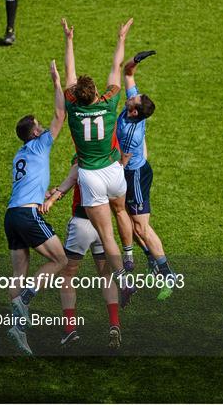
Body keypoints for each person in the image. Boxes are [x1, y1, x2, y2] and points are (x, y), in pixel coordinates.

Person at [61, 17, 136, 308]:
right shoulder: (108, 103)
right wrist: (121, 38)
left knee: (105, 236)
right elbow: (116, 69)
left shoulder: (72, 107)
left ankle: (124, 279)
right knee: (120, 213)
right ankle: (130, 254)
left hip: (91, 176)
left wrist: (69, 39)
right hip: (115, 172)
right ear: (95, 94)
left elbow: (69, 73)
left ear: (77, 97)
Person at [4, 60, 67, 356]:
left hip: (11, 215)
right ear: (33, 134)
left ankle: (17, 330)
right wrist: (56, 81)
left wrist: (47, 192)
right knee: (60, 259)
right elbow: (60, 114)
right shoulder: (39, 145)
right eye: (39, 128)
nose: (44, 129)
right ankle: (27, 298)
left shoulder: (19, 153)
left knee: (18, 273)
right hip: (28, 214)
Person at [40, 158, 122, 350]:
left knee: (67, 275)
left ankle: (70, 330)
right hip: (103, 226)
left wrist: (52, 197)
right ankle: (114, 323)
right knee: (105, 275)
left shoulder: (82, 160)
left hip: (81, 224)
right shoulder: (110, 163)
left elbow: (70, 181)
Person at [116, 51, 176, 300]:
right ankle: (152, 260)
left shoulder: (132, 134)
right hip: (132, 170)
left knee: (140, 226)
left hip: (134, 175)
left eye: (135, 99)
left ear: (133, 111)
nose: (132, 96)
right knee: (128, 221)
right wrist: (136, 61)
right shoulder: (134, 107)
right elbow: (128, 73)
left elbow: (122, 163)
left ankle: (166, 272)